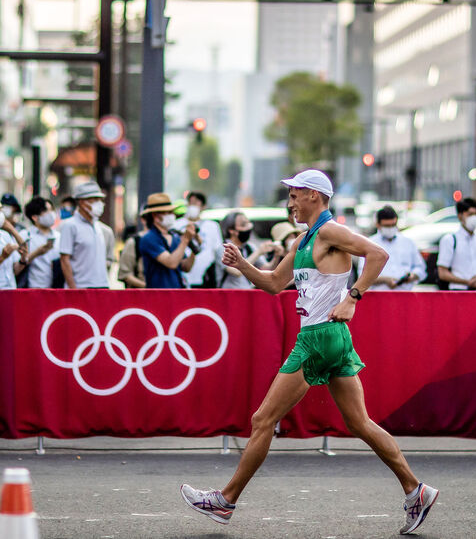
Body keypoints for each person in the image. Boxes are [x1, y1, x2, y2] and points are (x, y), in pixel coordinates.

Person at [181, 169, 438, 534]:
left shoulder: (330, 232)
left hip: (318, 337)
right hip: (333, 338)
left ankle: (225, 502)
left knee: (262, 420)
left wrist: (353, 297)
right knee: (359, 422)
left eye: (295, 196)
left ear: (314, 196)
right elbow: (272, 284)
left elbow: (378, 254)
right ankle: (416, 490)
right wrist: (242, 265)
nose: (290, 204)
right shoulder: (304, 240)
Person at [135, 193, 196, 289]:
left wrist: (194, 249)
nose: (172, 216)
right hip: (158, 295)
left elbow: (185, 267)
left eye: (171, 212)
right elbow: (171, 263)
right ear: (155, 216)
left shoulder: (175, 237)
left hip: (177, 292)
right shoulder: (149, 239)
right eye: (167, 212)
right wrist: (185, 240)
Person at [436, 198, 476, 291]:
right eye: (470, 214)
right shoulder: (450, 240)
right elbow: (442, 273)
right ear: (460, 216)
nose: (474, 218)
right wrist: (468, 282)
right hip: (458, 291)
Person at [58, 181, 110, 289]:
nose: (99, 203)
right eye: (95, 200)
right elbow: (64, 259)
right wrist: (73, 289)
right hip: (81, 287)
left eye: (100, 200)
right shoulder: (70, 225)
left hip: (101, 286)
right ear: (82, 202)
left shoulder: (99, 226)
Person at [363, 205, 426, 291]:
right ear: (378, 225)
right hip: (379, 296)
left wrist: (412, 276)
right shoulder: (369, 244)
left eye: (393, 225)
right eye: (387, 226)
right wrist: (385, 280)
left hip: (404, 294)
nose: (390, 229)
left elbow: (420, 268)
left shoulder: (408, 242)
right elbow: (363, 275)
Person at [176, 191, 223, 288]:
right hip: (184, 276)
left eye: (197, 203)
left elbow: (218, 251)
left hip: (206, 278)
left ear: (203, 206)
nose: (193, 206)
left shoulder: (212, 226)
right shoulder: (177, 225)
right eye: (191, 203)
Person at [23, 197, 63, 288]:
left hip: (56, 289)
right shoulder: (26, 236)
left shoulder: (58, 236)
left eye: (52, 210)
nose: (52, 214)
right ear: (34, 217)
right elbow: (18, 264)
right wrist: (37, 252)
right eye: (46, 211)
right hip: (34, 289)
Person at [219, 211, 256, 289]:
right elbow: (237, 272)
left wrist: (276, 256)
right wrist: (259, 252)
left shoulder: (250, 247)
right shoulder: (223, 248)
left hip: (248, 294)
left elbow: (266, 268)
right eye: (243, 225)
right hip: (228, 295)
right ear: (231, 230)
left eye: (248, 223)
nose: (249, 227)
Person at [118, 218, 148, 288]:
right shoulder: (134, 242)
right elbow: (125, 274)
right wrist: (148, 287)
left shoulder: (172, 239)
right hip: (141, 294)